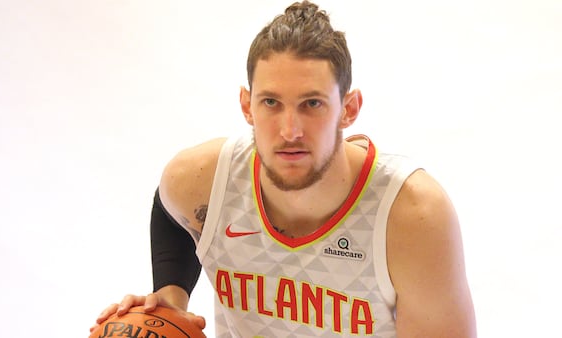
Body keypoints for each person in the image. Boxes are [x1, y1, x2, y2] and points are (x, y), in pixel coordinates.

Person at [91, 1, 476, 337]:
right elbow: (170, 208)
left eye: (312, 104)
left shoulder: (410, 215)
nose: (289, 130)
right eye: (271, 102)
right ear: (247, 106)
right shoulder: (205, 179)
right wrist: (171, 297)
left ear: (349, 109)